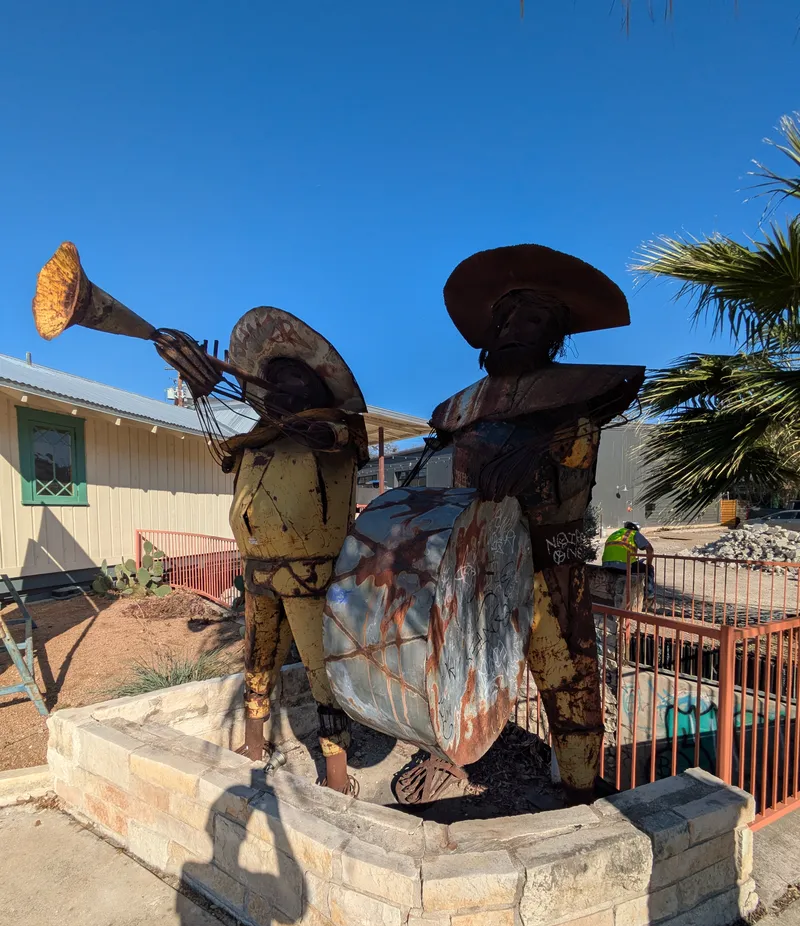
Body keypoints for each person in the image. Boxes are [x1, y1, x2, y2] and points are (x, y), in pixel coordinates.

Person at [395, 244, 645, 806]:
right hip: (476, 568)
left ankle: (579, 786)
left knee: (569, 680)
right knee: (458, 667)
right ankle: (451, 752)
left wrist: (536, 451)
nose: (515, 330)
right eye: (507, 320)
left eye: (533, 321)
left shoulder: (579, 394)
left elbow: (583, 443)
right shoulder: (461, 408)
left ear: (553, 338)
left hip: (550, 567)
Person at [155, 310, 368, 794]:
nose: (280, 387)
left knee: (321, 672)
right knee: (256, 662)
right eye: (273, 379)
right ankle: (254, 744)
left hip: (311, 576)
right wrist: (209, 391)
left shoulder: (339, 428)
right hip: (258, 573)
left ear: (319, 387)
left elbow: (326, 436)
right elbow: (227, 448)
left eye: (294, 377)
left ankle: (337, 773)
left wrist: (231, 386)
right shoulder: (258, 438)